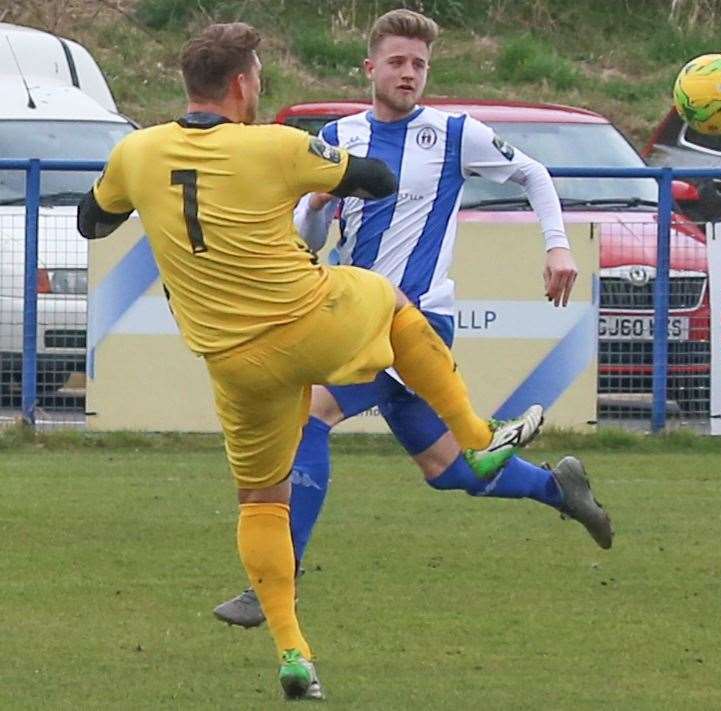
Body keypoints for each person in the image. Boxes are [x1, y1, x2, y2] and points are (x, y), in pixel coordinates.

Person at [77, 22, 547, 700]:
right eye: (259, 79)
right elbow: (378, 177)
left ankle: (294, 652)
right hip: (310, 322)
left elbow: (92, 222)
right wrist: (321, 171)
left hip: (232, 362)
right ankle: (478, 437)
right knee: (387, 297)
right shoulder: (274, 144)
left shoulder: (137, 151)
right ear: (242, 86)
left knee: (261, 500)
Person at [211, 8, 613, 630]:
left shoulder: (454, 134)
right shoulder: (338, 141)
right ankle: (558, 489)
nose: (409, 74)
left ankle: (273, 587)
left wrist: (557, 245)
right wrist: (316, 207)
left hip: (414, 323)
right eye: (397, 62)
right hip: (352, 316)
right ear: (370, 68)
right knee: (450, 471)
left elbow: (532, 172)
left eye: (419, 64)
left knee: (309, 414)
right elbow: (308, 237)